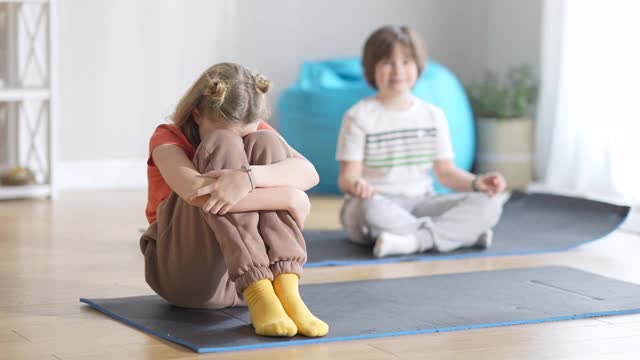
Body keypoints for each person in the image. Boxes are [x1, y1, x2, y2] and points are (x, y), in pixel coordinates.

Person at [141, 62, 328, 337]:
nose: (242, 141)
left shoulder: (257, 130)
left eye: (246, 132)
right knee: (221, 144)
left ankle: (286, 289)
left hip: (248, 281)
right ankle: (257, 289)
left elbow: (309, 172)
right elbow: (198, 194)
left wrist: (248, 177)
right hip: (188, 276)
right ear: (196, 114)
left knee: (267, 142)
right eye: (229, 130)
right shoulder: (166, 137)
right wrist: (288, 196)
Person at [336, 25, 506, 258]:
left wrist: (479, 183)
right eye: (387, 62)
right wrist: (357, 186)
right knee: (365, 211)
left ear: (418, 66)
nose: (398, 70)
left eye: (406, 61)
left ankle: (414, 241)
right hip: (376, 203)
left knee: (489, 205)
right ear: (371, 68)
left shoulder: (433, 115)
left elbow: (446, 173)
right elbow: (347, 177)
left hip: (423, 203)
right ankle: (460, 236)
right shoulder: (358, 116)